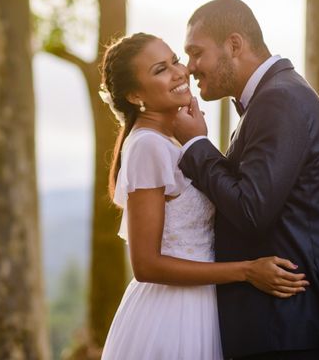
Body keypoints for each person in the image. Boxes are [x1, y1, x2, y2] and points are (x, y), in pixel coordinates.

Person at [98, 32, 307, 360]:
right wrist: (247, 270)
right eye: (160, 70)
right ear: (135, 95)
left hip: (203, 307)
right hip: (170, 316)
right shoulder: (147, 146)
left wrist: (198, 140)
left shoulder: (174, 141)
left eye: (174, 61)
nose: (180, 72)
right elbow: (146, 265)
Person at [173, 0, 319, 359]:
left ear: (234, 44)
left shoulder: (279, 100)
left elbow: (251, 209)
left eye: (196, 53)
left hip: (281, 331)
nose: (190, 68)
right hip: (275, 329)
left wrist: (195, 144)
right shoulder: (274, 97)